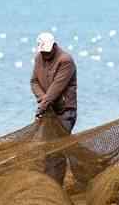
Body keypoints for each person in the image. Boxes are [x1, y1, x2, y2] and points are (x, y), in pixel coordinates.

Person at [30, 32, 77, 184]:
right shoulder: (39, 58)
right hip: (48, 111)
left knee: (57, 151)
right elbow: (34, 82)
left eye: (47, 51)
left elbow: (56, 88)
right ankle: (48, 184)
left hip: (64, 112)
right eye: (42, 51)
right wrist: (43, 100)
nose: (45, 54)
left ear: (54, 46)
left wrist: (42, 106)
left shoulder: (65, 61)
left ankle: (55, 186)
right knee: (47, 149)